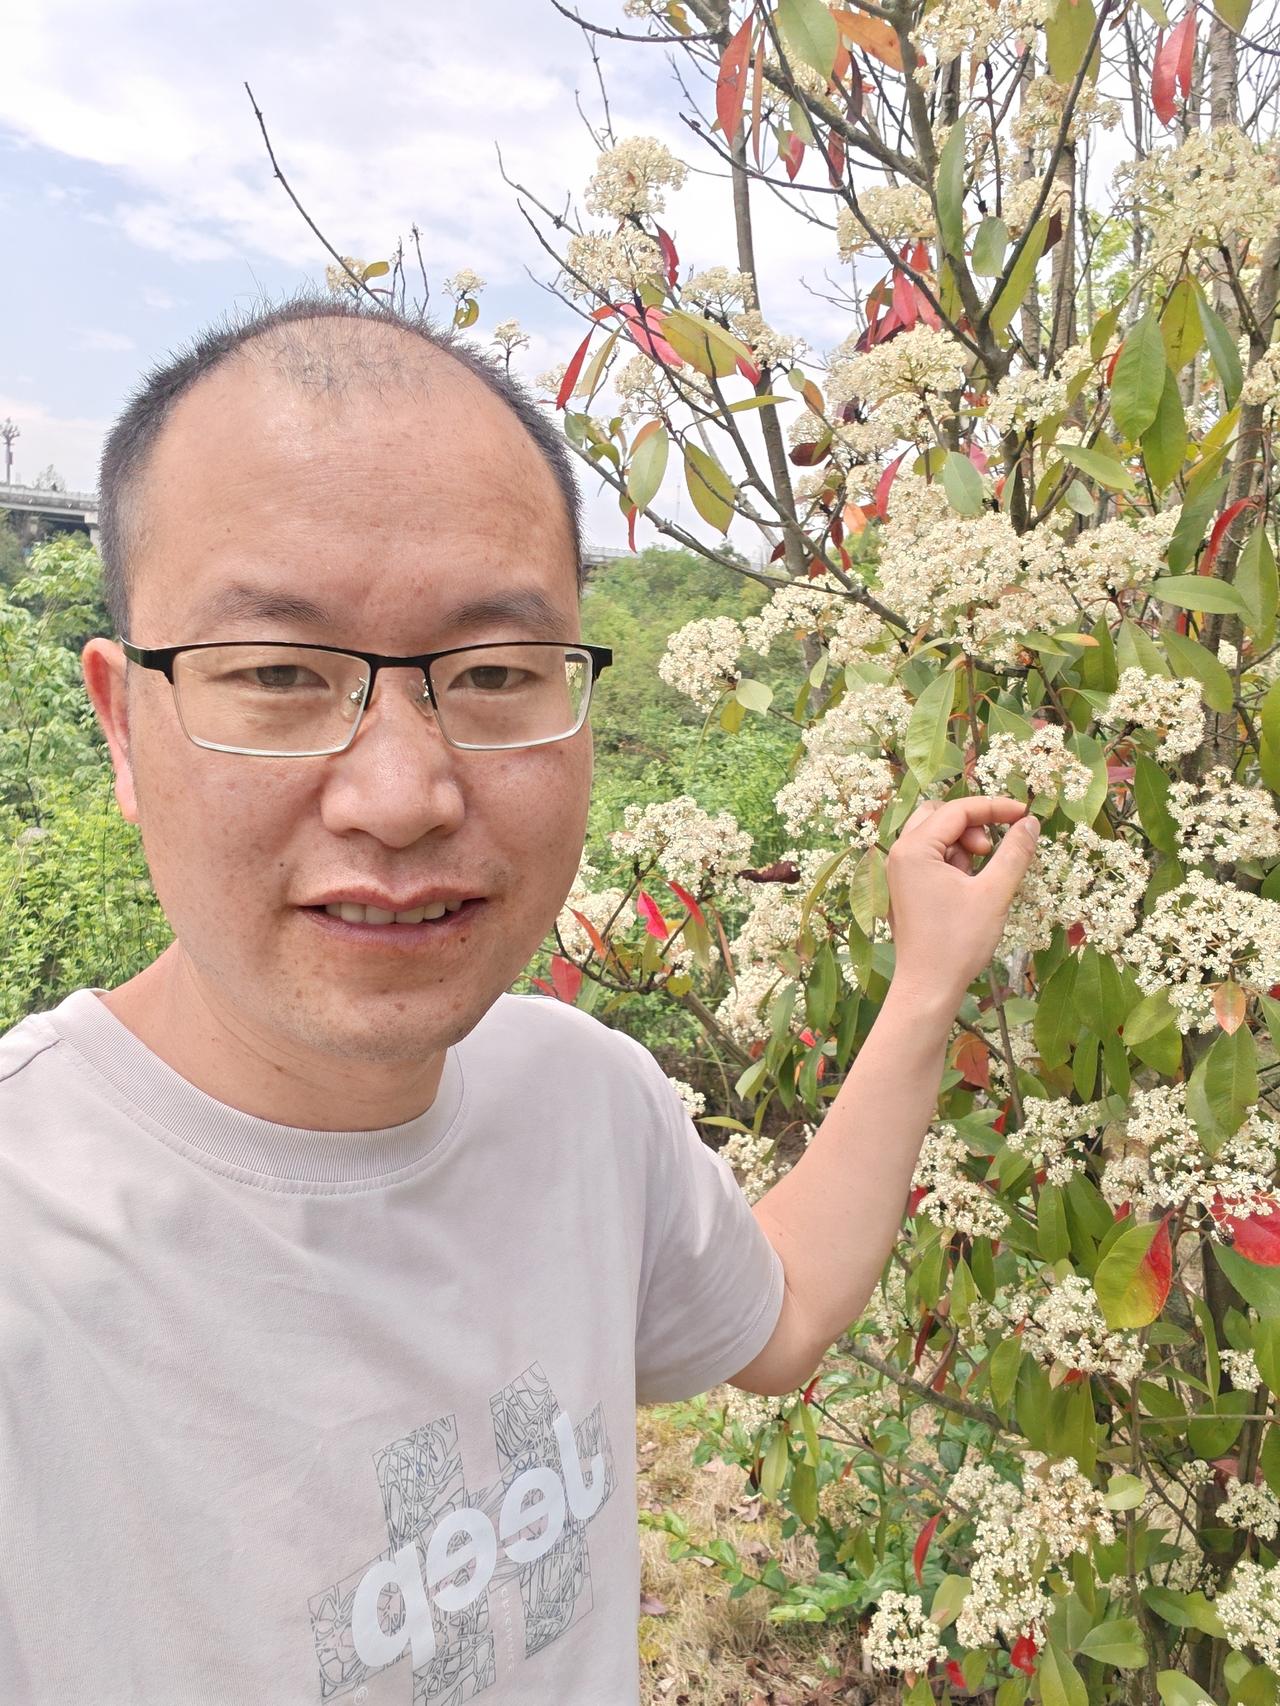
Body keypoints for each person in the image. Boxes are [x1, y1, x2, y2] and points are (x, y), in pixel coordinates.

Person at [0, 297, 1041, 1704]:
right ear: (124, 725)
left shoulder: (581, 1093)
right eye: (281, 675)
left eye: (492, 674)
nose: (402, 793)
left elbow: (779, 1313)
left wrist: (925, 982)